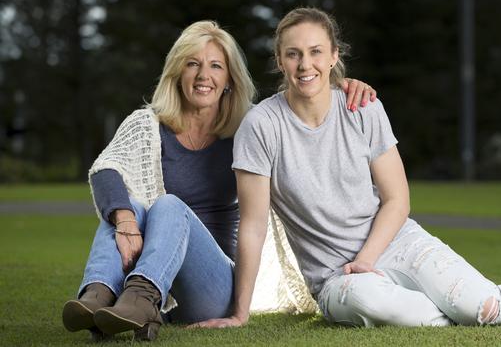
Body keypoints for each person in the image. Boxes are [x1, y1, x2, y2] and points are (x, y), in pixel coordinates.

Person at [194, 7, 501, 329]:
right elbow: (251, 226)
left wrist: (368, 259)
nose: (305, 64)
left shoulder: (363, 108)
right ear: (279, 61)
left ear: (334, 56)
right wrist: (240, 312)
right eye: (293, 54)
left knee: (482, 304)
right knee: (385, 303)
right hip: (337, 281)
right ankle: (462, 312)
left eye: (316, 52)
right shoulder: (261, 126)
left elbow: (397, 199)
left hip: (396, 243)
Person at [61, 20, 377, 341]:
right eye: (193, 64)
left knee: (168, 206)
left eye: (215, 66)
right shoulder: (147, 124)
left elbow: (303, 117)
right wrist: (126, 219)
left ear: (229, 79)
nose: (203, 76)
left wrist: (339, 87)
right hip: (161, 275)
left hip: (214, 287)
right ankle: (96, 297)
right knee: (124, 207)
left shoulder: (253, 126)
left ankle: (140, 299)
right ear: (177, 72)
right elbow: (106, 170)